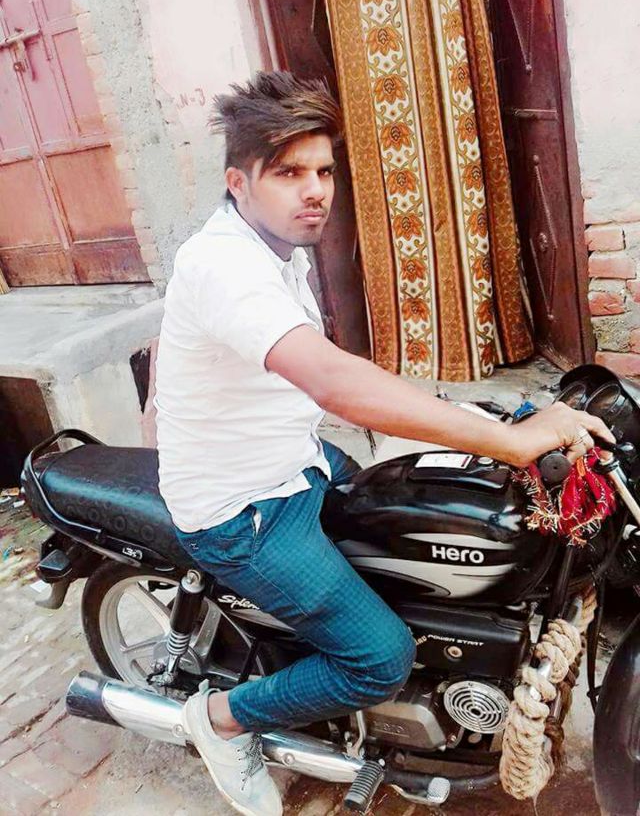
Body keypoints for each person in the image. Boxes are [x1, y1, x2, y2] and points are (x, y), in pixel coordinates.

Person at [154, 71, 614, 816]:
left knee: (429, 518)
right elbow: (335, 382)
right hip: (244, 510)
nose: (315, 191)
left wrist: (477, 416)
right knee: (378, 656)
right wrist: (509, 440)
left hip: (294, 462)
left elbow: (324, 374)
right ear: (238, 182)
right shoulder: (224, 266)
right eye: (289, 173)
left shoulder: (275, 248)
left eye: (324, 170)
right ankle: (222, 719)